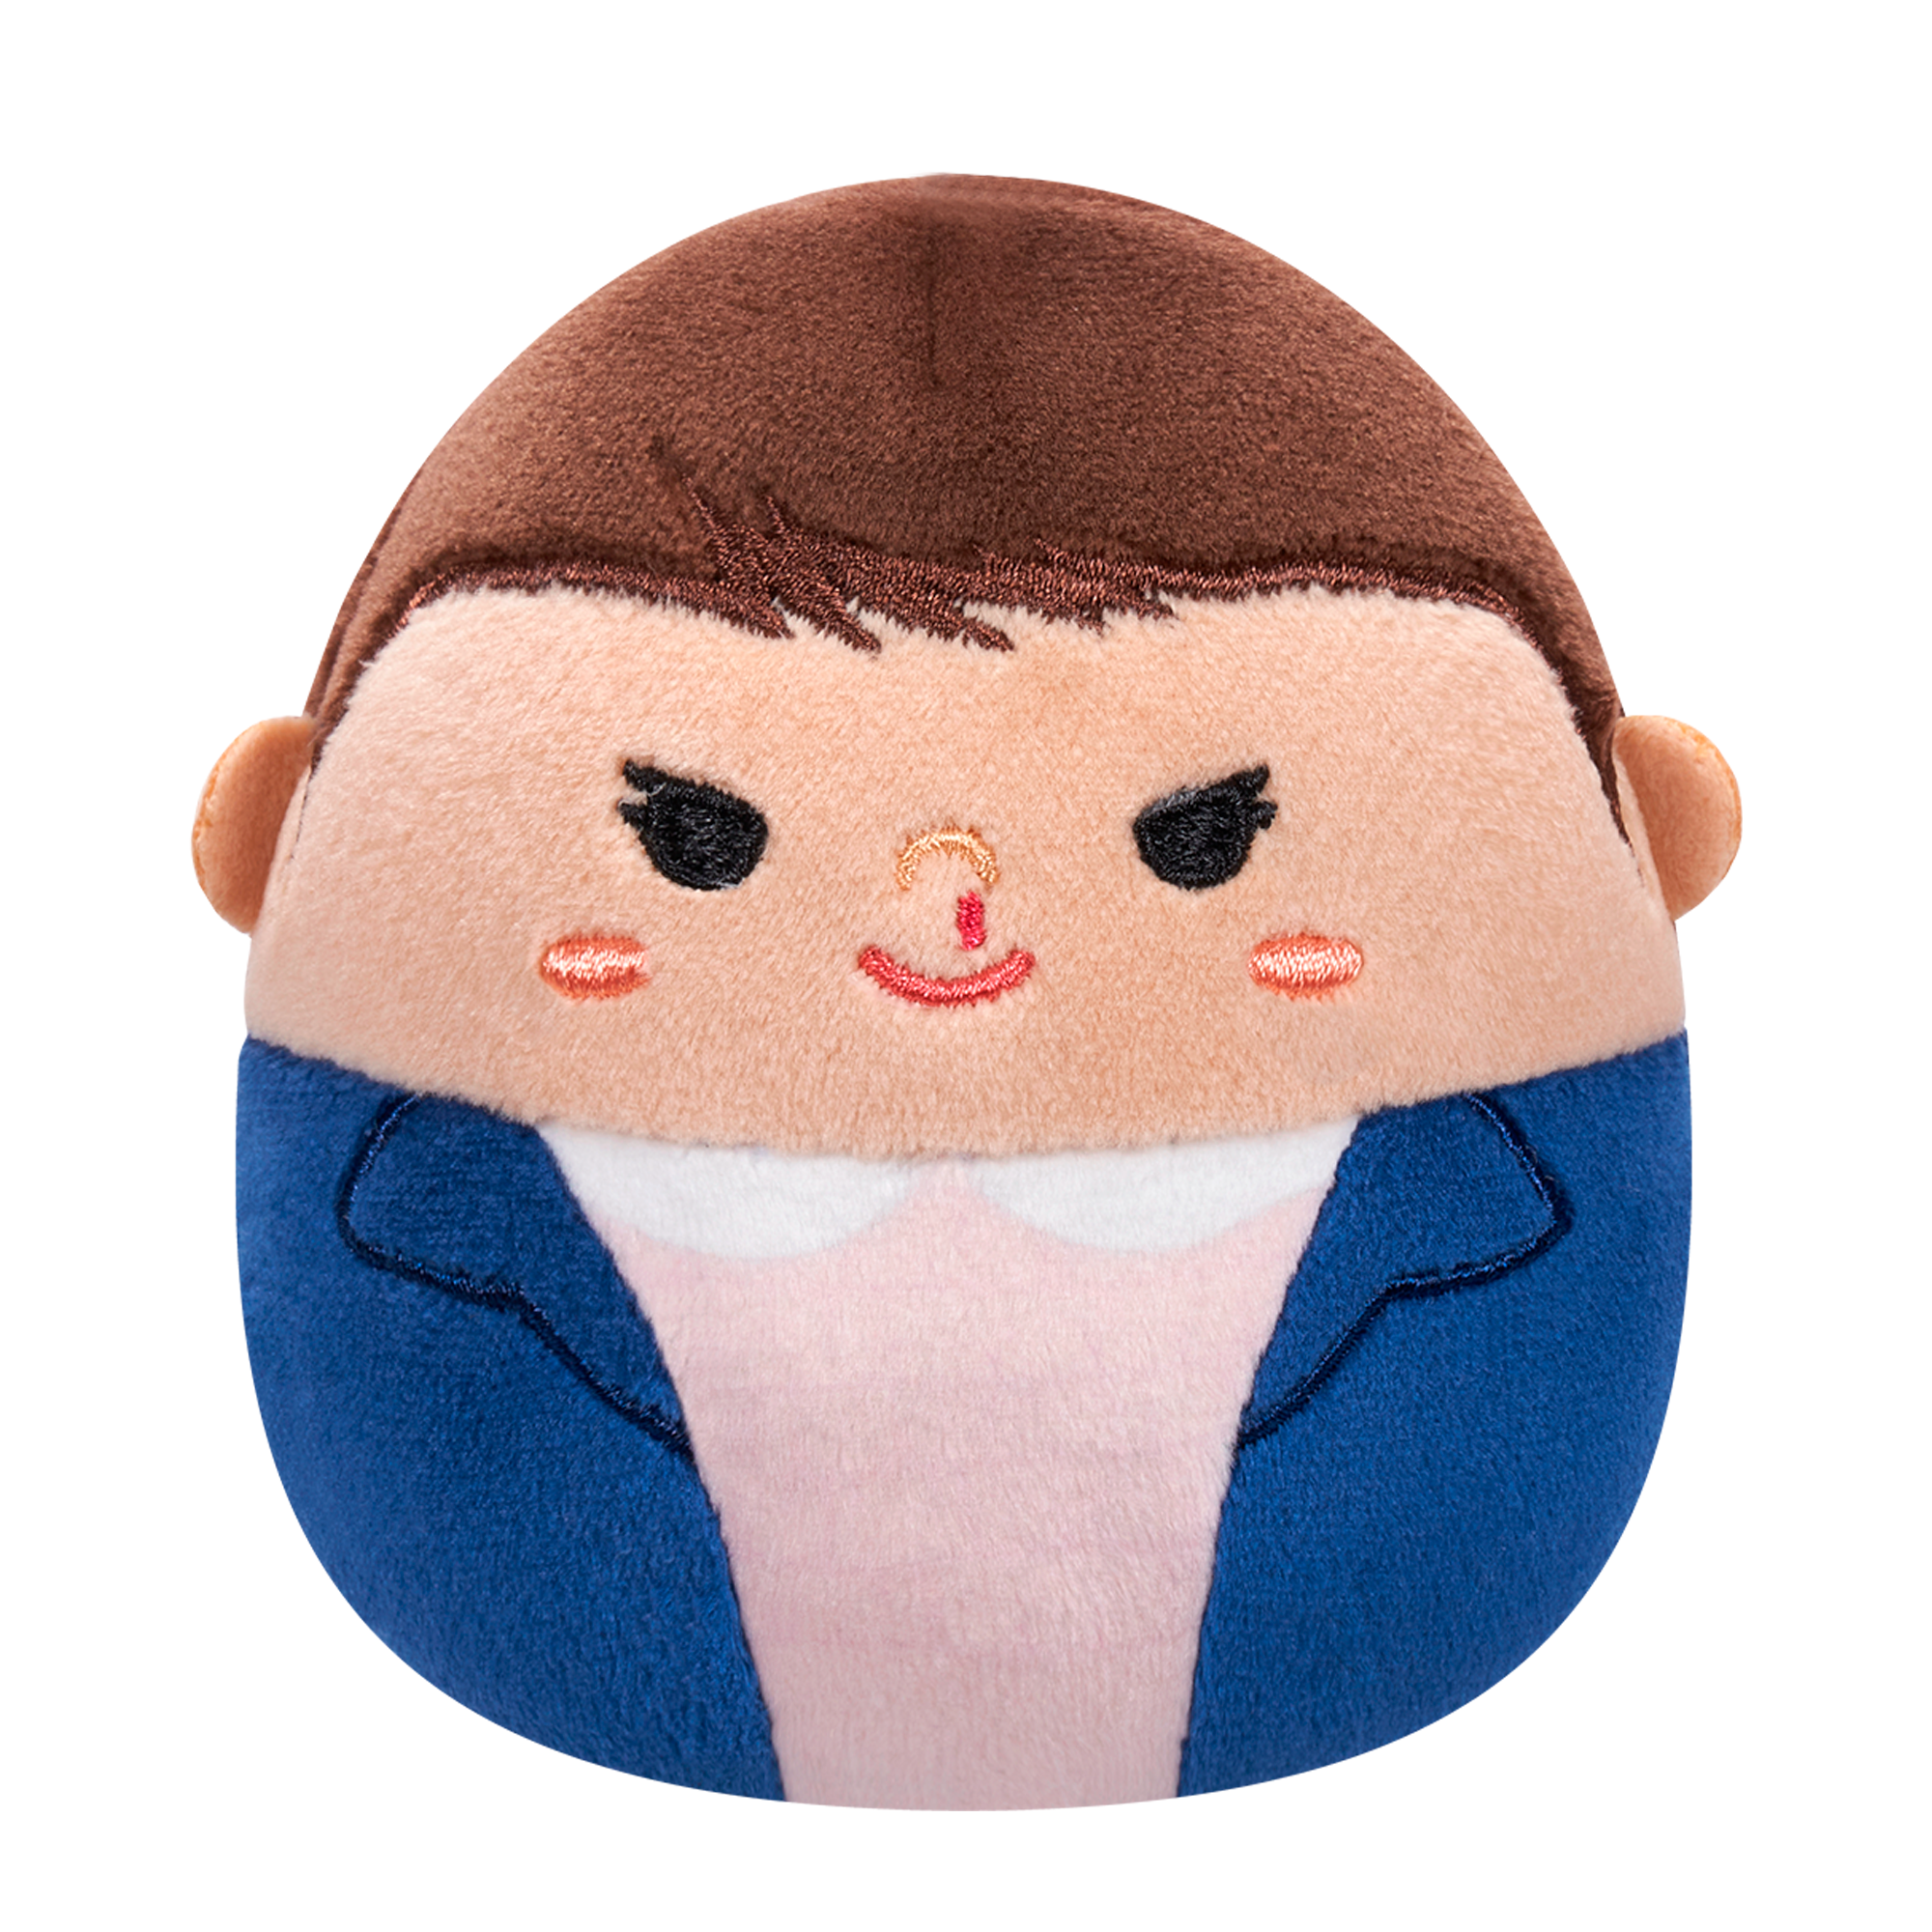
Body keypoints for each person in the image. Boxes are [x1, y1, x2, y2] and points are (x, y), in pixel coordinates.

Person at [194, 176, 1739, 1805]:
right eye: (696, 836)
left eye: (1205, 838)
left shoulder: (1493, 1209)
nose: (956, 917)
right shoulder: (421, 1212)